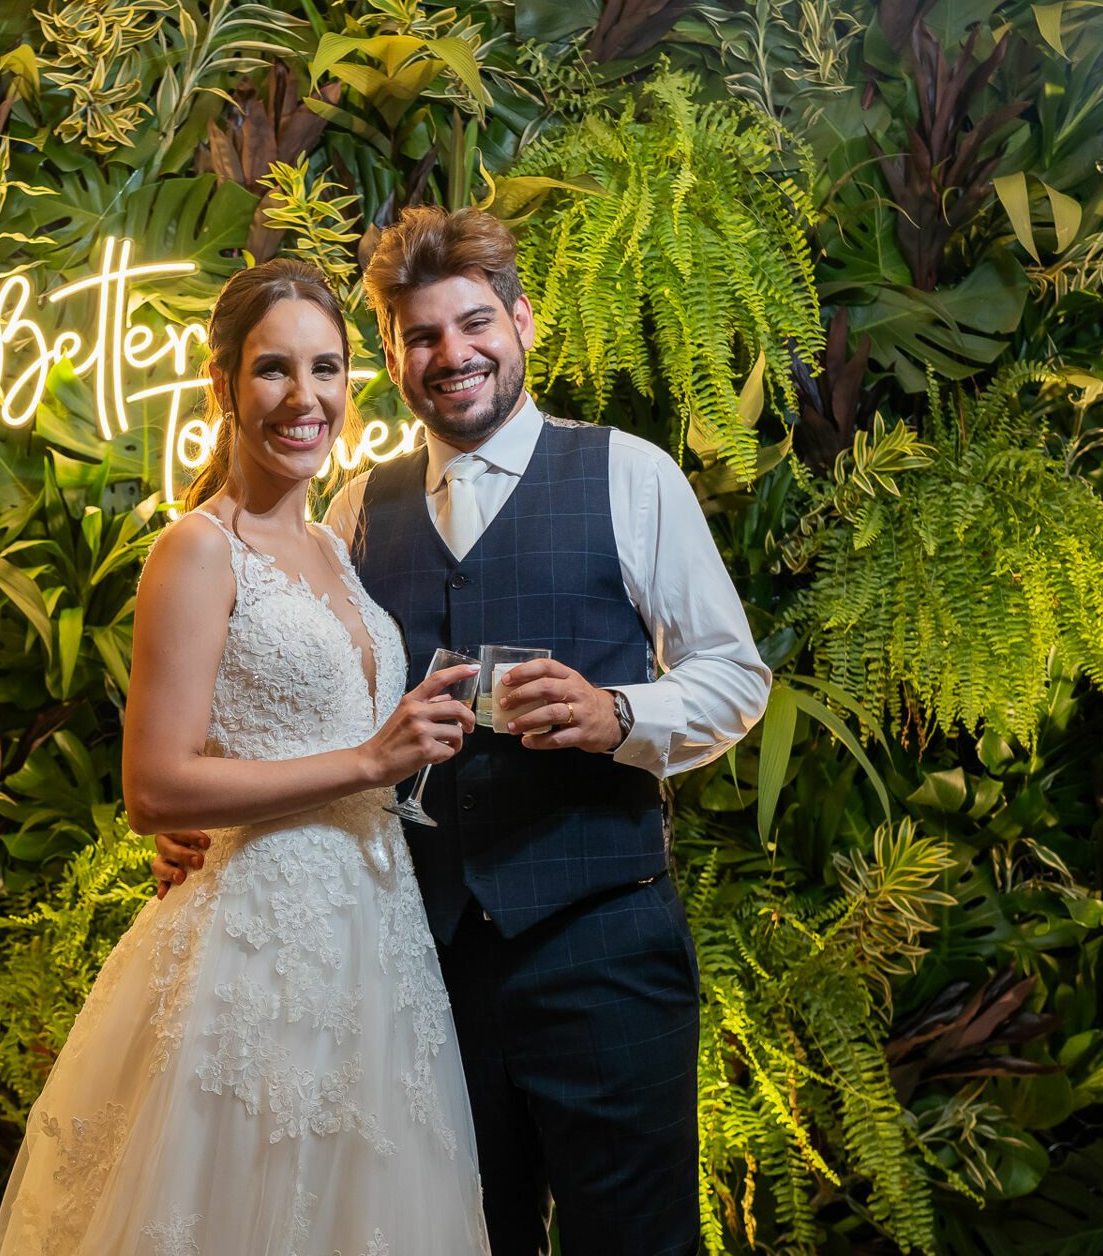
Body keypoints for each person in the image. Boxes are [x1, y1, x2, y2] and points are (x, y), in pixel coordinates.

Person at [152, 207, 772, 1256]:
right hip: (420, 965)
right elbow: (302, 696)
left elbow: (733, 675)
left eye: (475, 323)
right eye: (422, 336)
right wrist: (200, 813)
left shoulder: (629, 473)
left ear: (523, 322)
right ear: (390, 356)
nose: (454, 355)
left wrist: (619, 712)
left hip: (603, 947)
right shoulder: (350, 511)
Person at [0, 257, 492, 1256]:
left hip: (373, 945)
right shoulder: (196, 550)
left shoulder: (336, 545)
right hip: (257, 948)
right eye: (273, 370)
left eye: (328, 368)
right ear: (222, 384)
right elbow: (156, 783)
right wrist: (368, 760)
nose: (305, 398)